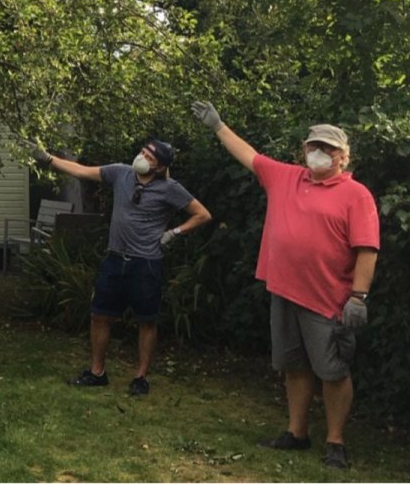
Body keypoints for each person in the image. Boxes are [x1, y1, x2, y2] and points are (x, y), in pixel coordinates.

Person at [192, 101, 379, 470]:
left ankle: (336, 441)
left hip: (328, 301)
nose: (319, 154)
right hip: (284, 291)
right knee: (293, 366)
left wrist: (358, 297)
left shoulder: (356, 195)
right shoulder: (285, 176)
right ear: (303, 150)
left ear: (343, 156)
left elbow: (367, 250)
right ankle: (297, 433)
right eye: (314, 146)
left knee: (333, 371)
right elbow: (250, 155)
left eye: (328, 148)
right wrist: (218, 126)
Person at [33, 138, 211, 396]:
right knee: (99, 315)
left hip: (146, 263)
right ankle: (97, 373)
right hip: (115, 259)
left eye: (149, 156)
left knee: (146, 321)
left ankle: (141, 378)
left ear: (160, 167)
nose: (141, 157)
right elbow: (81, 170)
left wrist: (174, 233)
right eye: (142, 152)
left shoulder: (170, 188)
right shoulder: (120, 173)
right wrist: (48, 159)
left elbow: (203, 214)